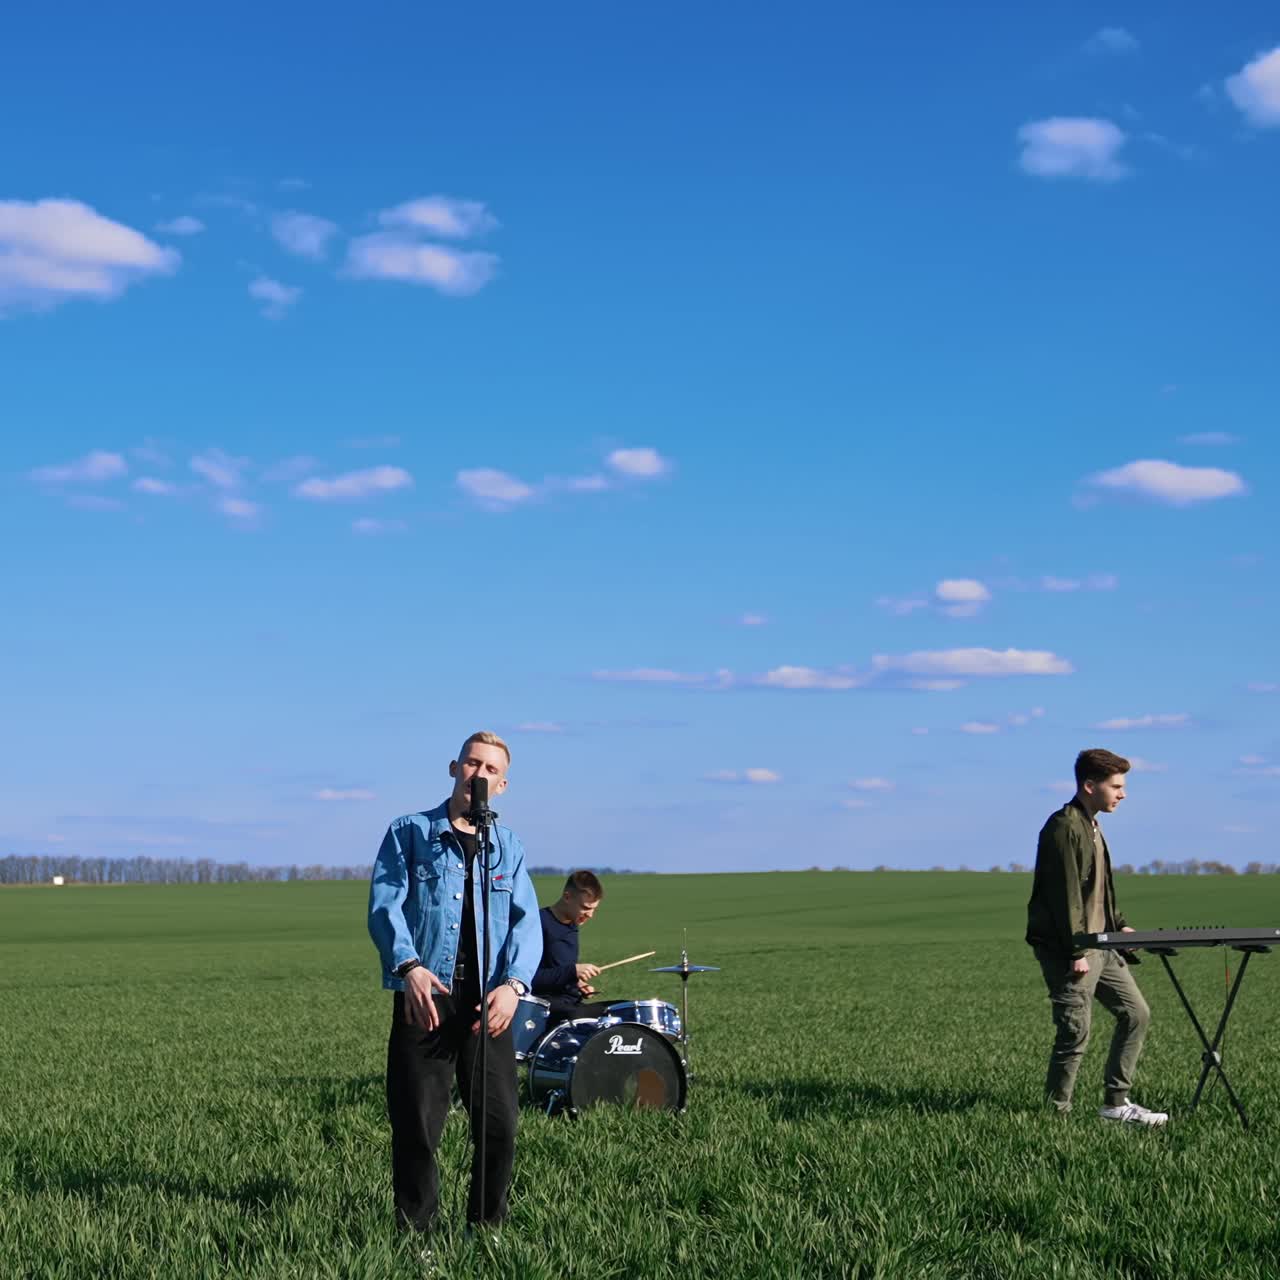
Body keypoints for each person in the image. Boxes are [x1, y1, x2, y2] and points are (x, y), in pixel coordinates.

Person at [367, 731, 541, 1234]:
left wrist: (513, 985)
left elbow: (526, 923)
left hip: (489, 1003)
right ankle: (416, 1234)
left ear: (503, 784)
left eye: (490, 769)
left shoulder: (508, 846)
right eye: (472, 763)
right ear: (453, 768)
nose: (479, 775)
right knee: (418, 1126)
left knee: (499, 1125)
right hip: (428, 997)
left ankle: (484, 1230)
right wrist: (409, 968)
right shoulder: (409, 832)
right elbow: (384, 909)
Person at [1025, 748, 1167, 1126]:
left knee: (1136, 1014)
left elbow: (1097, 890)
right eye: (1116, 786)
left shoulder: (1092, 825)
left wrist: (1120, 927)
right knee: (1075, 1033)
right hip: (1073, 949)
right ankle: (1055, 1116)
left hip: (1103, 945)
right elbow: (1065, 895)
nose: (1122, 794)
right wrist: (1076, 950)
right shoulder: (1063, 827)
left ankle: (1115, 1103)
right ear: (1090, 785)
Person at [532, 870, 612, 1027]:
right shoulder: (538, 923)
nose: (590, 915)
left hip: (571, 1004)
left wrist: (577, 984)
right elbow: (528, 979)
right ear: (567, 897)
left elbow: (557, 971)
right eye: (586, 908)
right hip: (546, 1008)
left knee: (621, 1010)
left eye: (594, 909)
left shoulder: (572, 925)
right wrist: (572, 971)